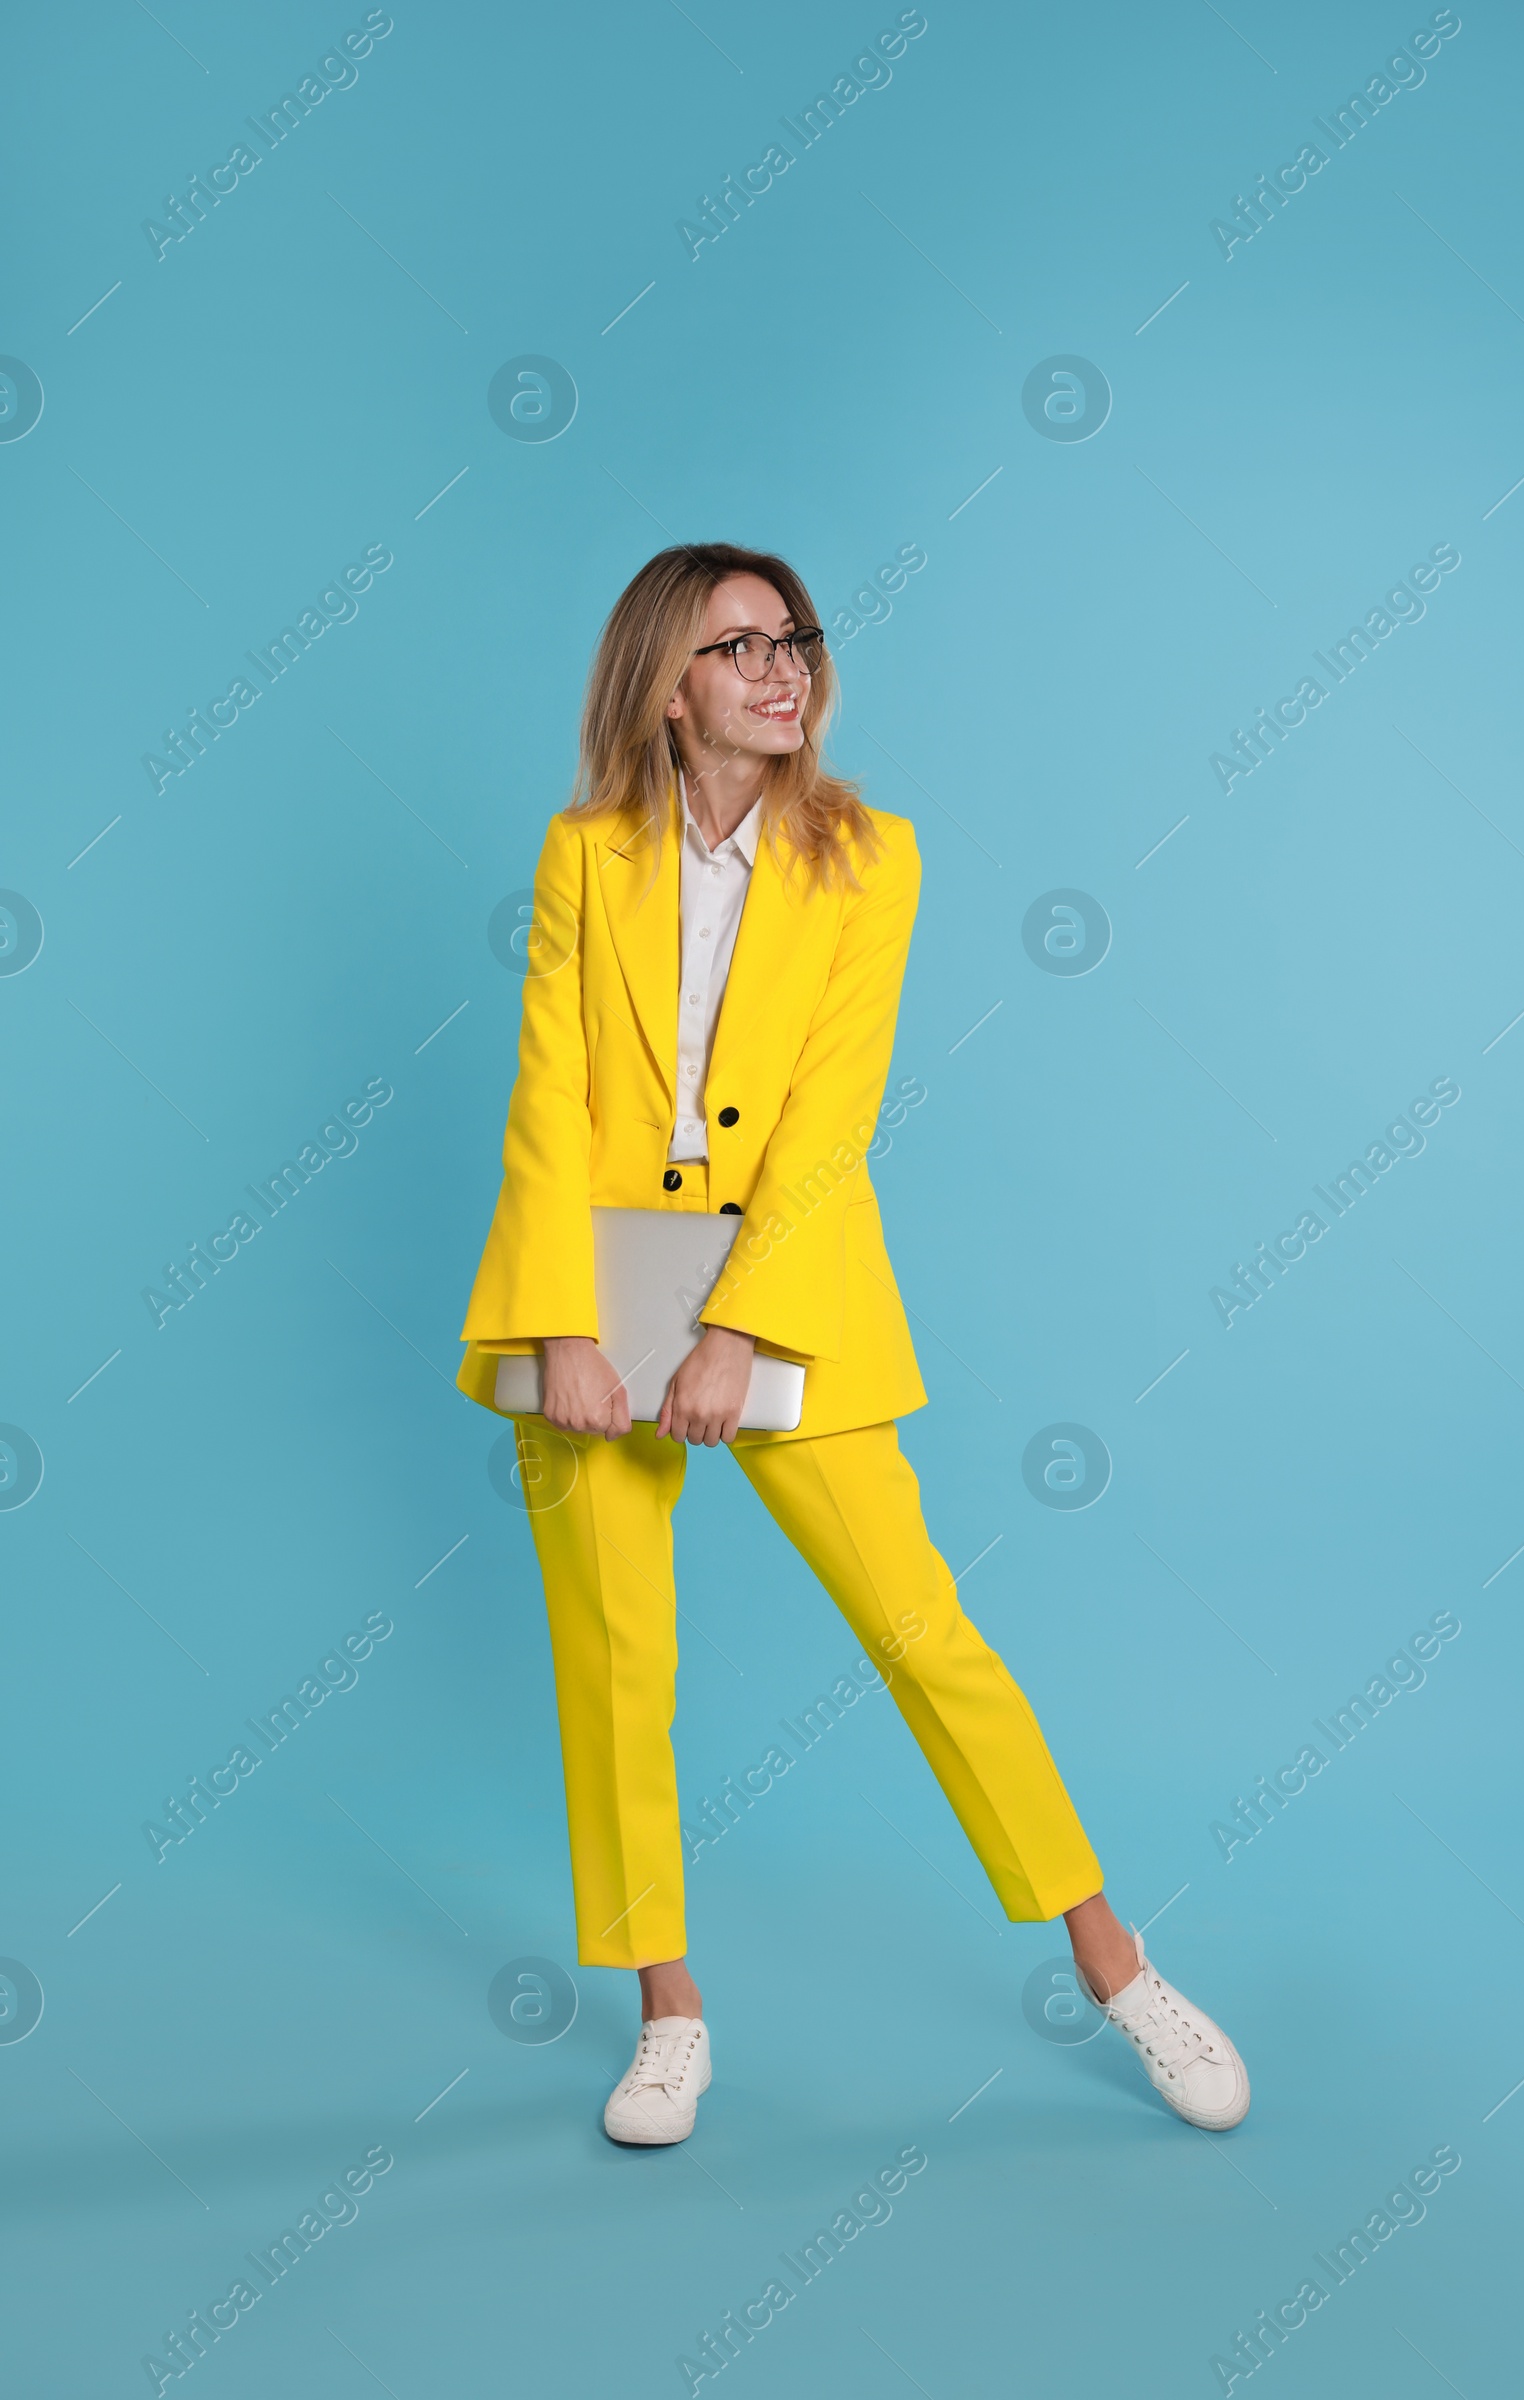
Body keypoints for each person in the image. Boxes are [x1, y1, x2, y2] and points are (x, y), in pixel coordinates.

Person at [456, 542, 1249, 2144]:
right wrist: (566, 1329)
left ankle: (1118, 1966)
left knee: (922, 1632)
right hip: (589, 1291)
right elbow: (547, 1095)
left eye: (796, 638)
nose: (781, 667)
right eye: (739, 644)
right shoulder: (584, 850)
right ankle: (666, 2014)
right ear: (664, 685)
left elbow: (834, 1110)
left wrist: (735, 1328)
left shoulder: (866, 857)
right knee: (614, 1666)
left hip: (785, 1287)